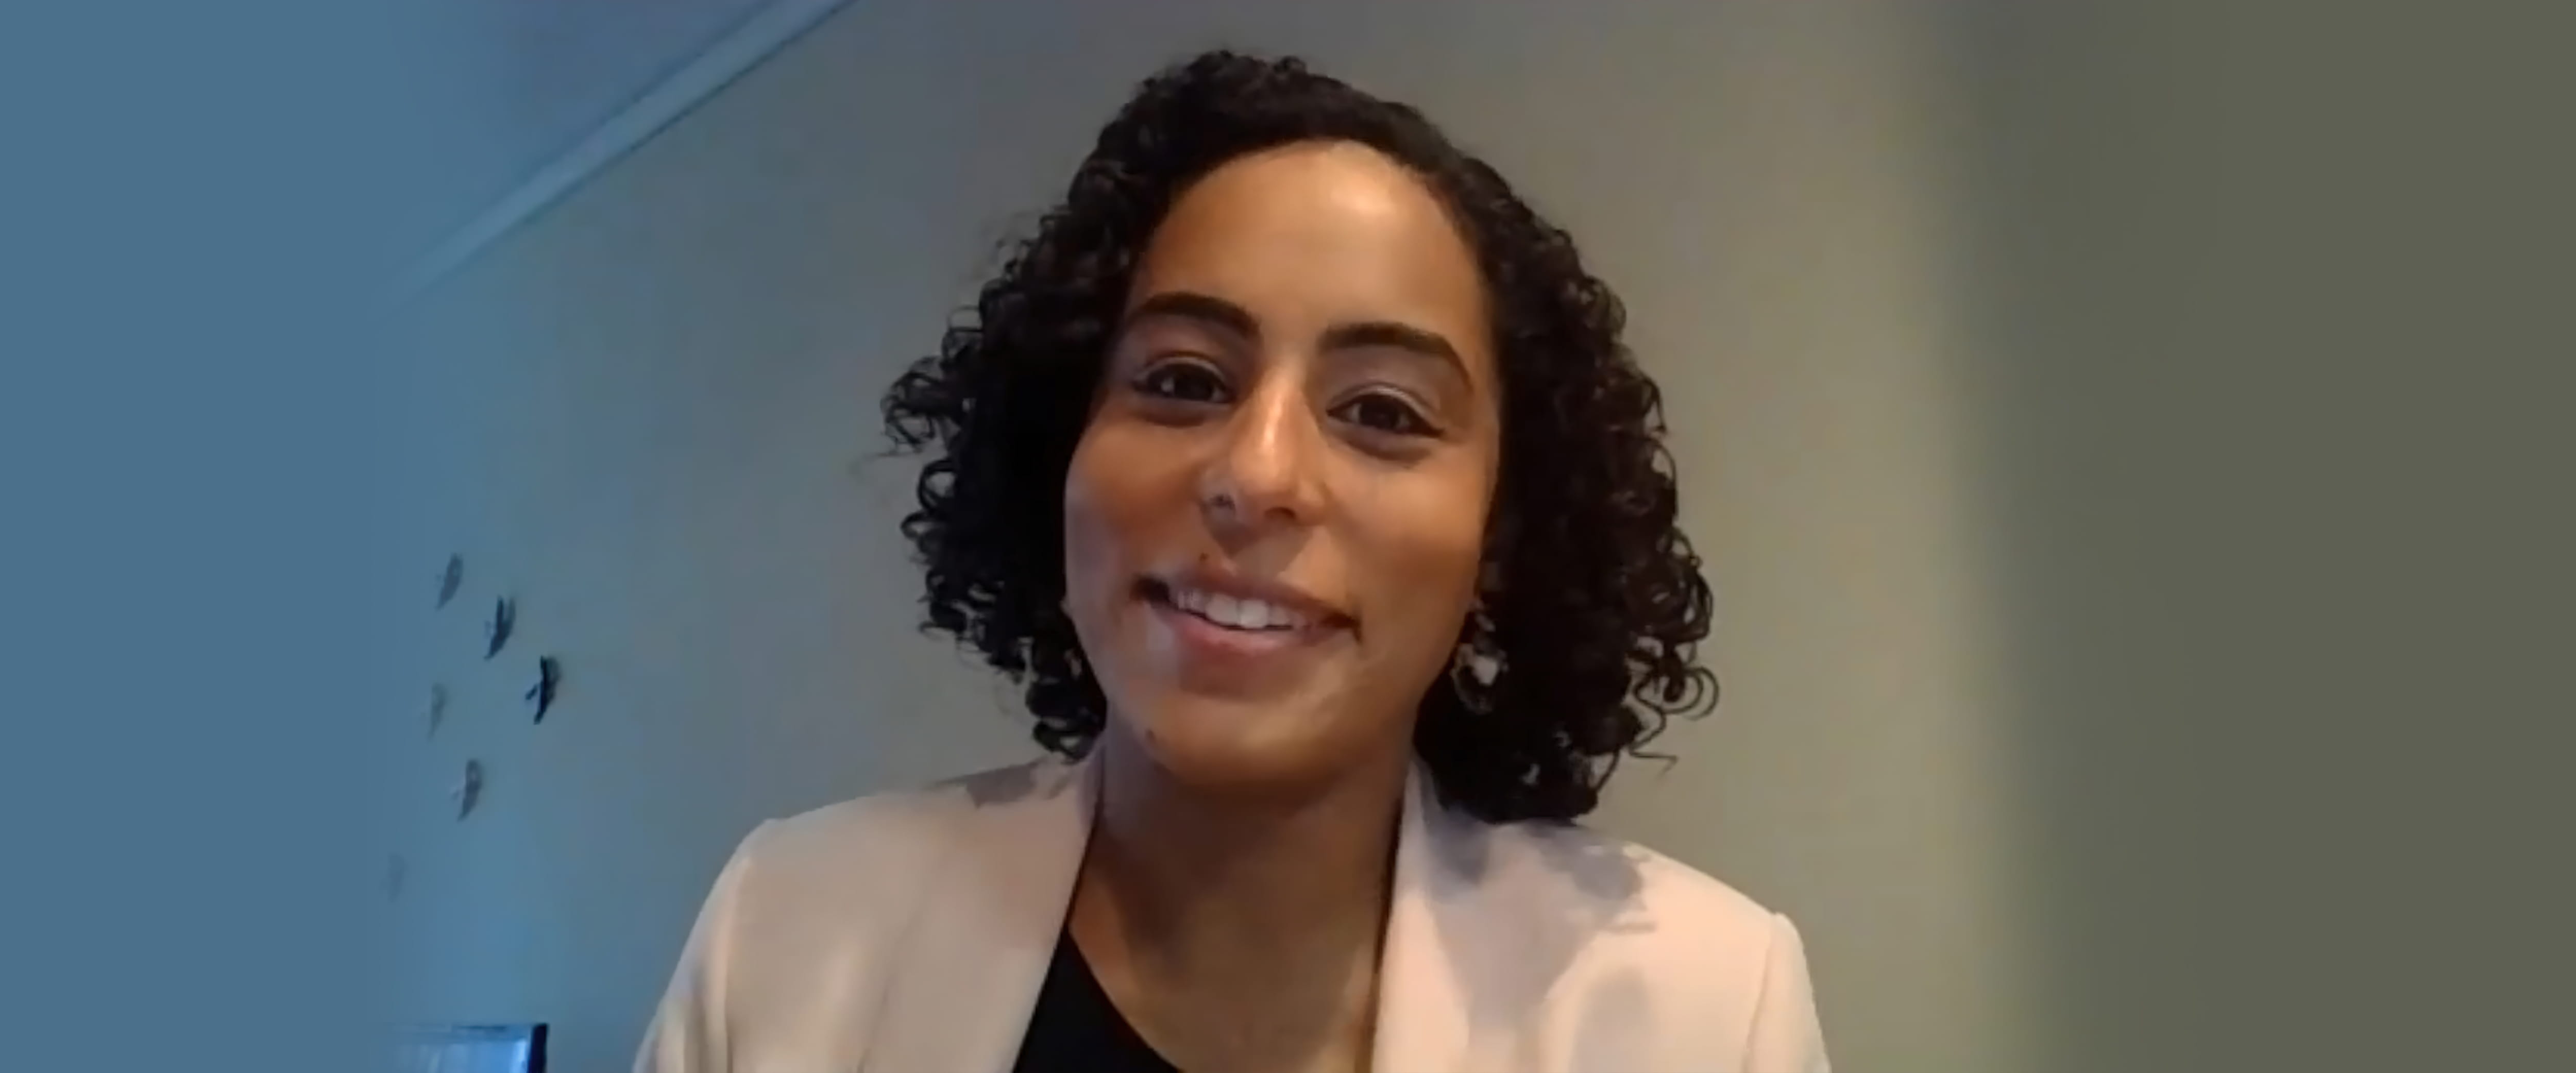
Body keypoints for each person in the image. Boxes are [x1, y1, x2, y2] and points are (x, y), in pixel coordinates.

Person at [636, 49, 1829, 1073]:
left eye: (1382, 411)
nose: (1255, 474)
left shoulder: (1707, 1011)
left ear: (1502, 540)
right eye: (1183, 381)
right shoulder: (783, 931)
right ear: (1063, 451)